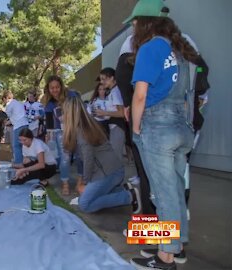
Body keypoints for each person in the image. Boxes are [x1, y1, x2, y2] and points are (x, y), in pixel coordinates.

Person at [124, 0, 200, 268]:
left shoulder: (149, 48)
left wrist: (135, 128)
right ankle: (175, 246)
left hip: (158, 127)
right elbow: (190, 97)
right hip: (181, 126)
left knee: (162, 194)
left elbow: (140, 95)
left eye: (134, 22)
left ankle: (165, 257)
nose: (132, 28)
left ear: (145, 22)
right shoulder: (179, 49)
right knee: (176, 190)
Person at [62, 96, 141, 214]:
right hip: (109, 172)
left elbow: (88, 159)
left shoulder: (81, 131)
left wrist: (85, 183)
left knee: (85, 204)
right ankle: (120, 189)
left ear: (70, 113)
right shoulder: (87, 125)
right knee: (90, 196)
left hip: (109, 173)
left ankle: (129, 196)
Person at [41, 75, 77, 195]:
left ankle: (74, 182)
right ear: (48, 89)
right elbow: (50, 124)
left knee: (73, 156)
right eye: (52, 88)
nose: (55, 90)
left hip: (74, 129)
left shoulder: (71, 95)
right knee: (61, 157)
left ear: (61, 86)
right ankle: (63, 181)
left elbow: (80, 110)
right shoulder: (49, 103)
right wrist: (47, 136)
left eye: (57, 87)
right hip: (57, 131)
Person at [96, 67, 126, 159]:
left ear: (112, 78)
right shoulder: (112, 91)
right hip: (113, 127)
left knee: (116, 157)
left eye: (104, 79)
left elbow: (121, 113)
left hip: (118, 126)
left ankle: (118, 173)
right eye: (101, 79)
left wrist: (104, 112)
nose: (101, 82)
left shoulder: (115, 91)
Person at [1, 90, 29, 168]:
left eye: (3, 99)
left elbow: (7, 117)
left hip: (18, 126)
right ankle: (24, 162)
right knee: (23, 145)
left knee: (16, 145)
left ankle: (18, 163)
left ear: (6, 98)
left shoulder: (9, 104)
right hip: (25, 124)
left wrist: (4, 123)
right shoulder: (18, 103)